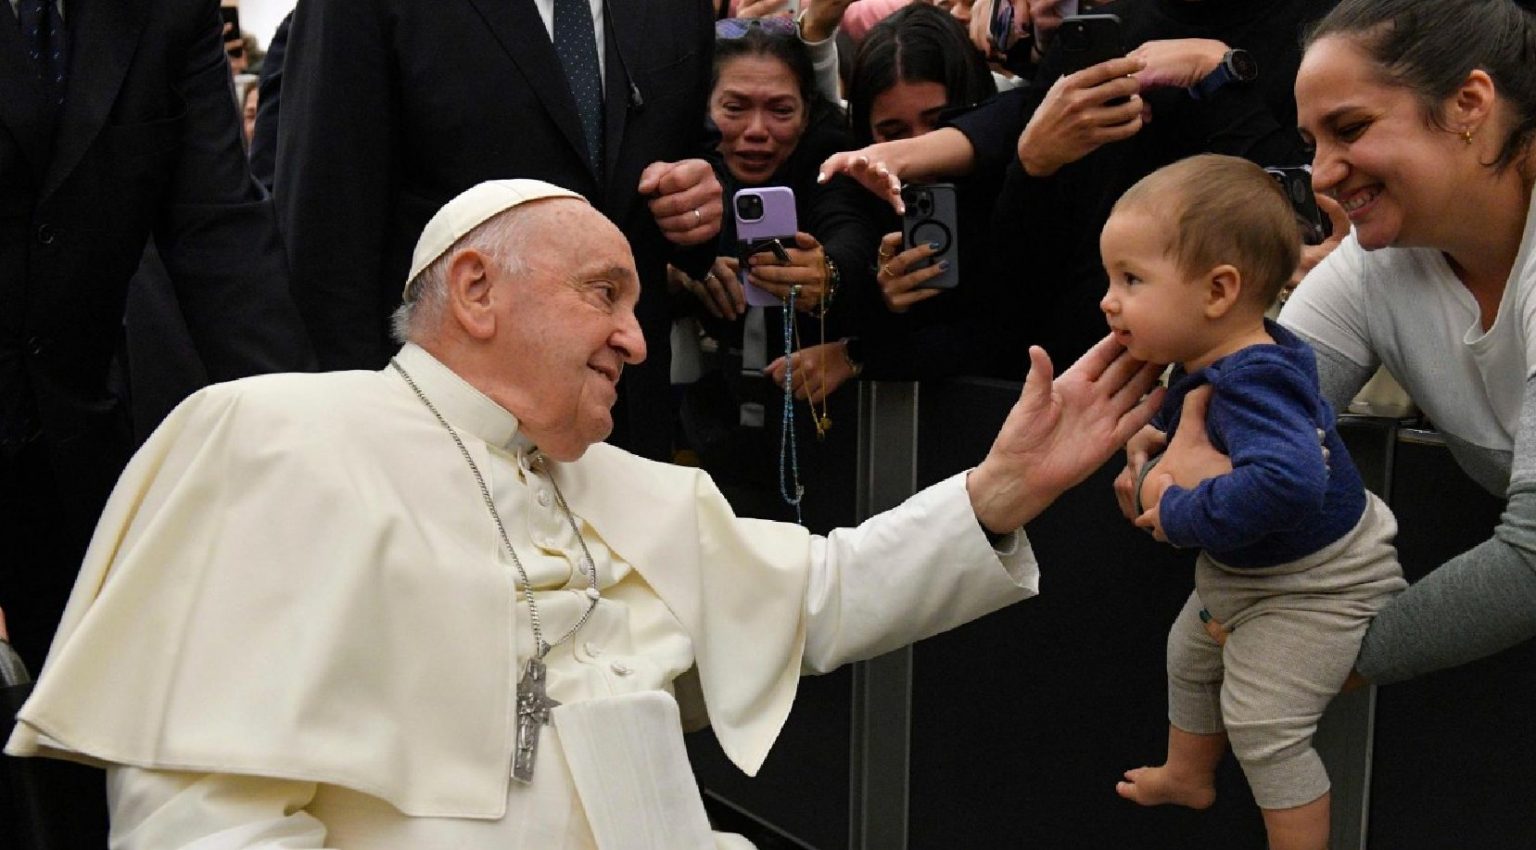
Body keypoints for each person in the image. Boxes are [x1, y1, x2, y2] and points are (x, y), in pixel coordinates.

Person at [7, 179, 1162, 848]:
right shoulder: (279, 437)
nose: (633, 337)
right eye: (604, 293)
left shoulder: (633, 487)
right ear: (474, 290)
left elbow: (821, 590)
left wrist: (997, 493)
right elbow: (205, 812)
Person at [1145, 0, 1536, 706]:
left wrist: (1301, 658)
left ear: (1469, 103)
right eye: (1311, 142)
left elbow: (1531, 560)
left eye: (1350, 129)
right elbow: (1227, 427)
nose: (1321, 175)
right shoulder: (1373, 262)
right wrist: (1166, 456)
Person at [1101, 155, 1405, 850]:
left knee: (1265, 725)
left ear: (1219, 290)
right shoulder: (1218, 360)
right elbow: (1208, 427)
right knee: (1188, 655)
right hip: (1251, 573)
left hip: (1320, 585)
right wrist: (1158, 431)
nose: (1109, 301)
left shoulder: (1255, 379)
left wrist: (1178, 513)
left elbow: (1289, 483)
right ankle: (1188, 774)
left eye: (1131, 280)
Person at [275, 0, 724, 462]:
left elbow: (697, 156)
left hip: (624, 425)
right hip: (438, 427)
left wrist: (701, 203)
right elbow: (326, 231)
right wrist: (356, 428)